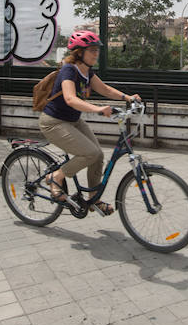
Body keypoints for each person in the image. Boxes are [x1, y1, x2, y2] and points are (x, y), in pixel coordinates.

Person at [39, 30, 140, 215]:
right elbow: (70, 99)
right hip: (54, 122)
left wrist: (127, 97)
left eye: (97, 50)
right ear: (80, 52)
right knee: (90, 153)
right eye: (92, 50)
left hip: (72, 120)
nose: (96, 53)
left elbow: (105, 89)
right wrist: (98, 109)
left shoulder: (87, 72)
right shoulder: (69, 70)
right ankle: (55, 177)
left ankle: (94, 199)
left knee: (98, 155)